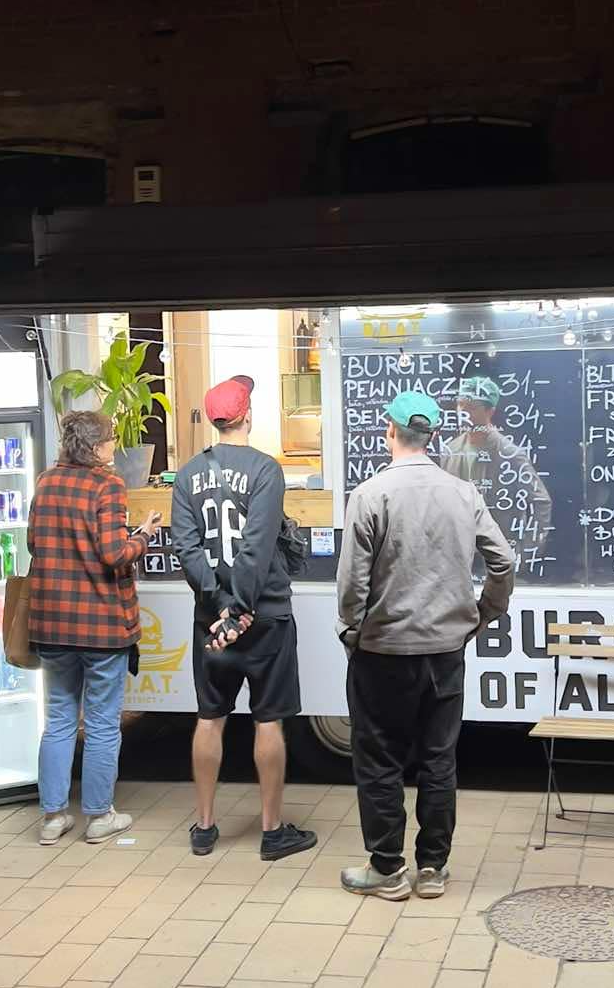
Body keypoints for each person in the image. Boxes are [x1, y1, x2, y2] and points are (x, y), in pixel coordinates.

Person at [337, 389, 516, 899]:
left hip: (383, 651)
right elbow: (503, 562)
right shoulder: (463, 493)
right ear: (434, 435)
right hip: (445, 651)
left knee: (379, 760)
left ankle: (387, 869)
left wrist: (353, 629)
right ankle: (433, 869)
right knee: (439, 759)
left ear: (389, 431)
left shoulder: (370, 495)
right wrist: (483, 614)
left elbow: (352, 583)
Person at [170, 373, 317, 862]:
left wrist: (217, 607)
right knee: (268, 720)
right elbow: (256, 546)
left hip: (209, 623)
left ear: (214, 422)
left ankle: (205, 826)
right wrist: (242, 609)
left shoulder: (187, 475)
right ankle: (272, 831)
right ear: (247, 416)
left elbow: (186, 548)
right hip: (265, 613)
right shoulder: (265, 470)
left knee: (210, 718)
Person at [27, 410, 162, 847]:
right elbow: (113, 553)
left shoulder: (47, 481)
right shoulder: (108, 485)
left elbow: (34, 542)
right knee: (103, 722)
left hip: (52, 625)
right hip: (102, 627)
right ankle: (100, 815)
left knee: (60, 720)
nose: (113, 446)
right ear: (97, 447)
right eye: (110, 439)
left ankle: (52, 817)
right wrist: (143, 536)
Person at [440, 374, 552, 565]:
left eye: (472, 407)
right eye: (460, 405)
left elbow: (540, 502)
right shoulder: (451, 450)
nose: (463, 412)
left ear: (490, 411)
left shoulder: (509, 453)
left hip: (495, 554)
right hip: (458, 554)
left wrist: (523, 555)